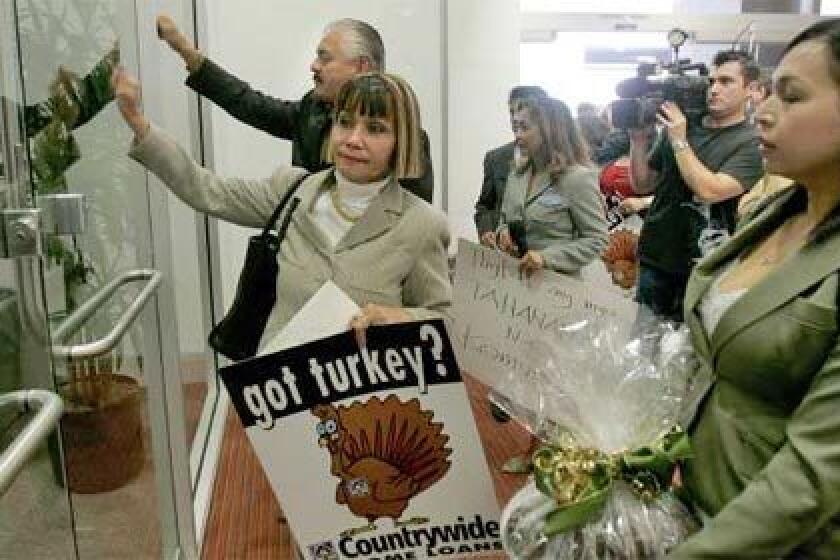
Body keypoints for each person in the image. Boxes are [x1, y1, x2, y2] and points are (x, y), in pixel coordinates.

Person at [113, 68, 451, 347]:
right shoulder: (293, 191)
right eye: (345, 122)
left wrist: (400, 317)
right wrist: (138, 122)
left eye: (375, 129)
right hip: (279, 394)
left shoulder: (422, 224)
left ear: (401, 141)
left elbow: (444, 321)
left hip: (364, 406)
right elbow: (206, 190)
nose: (353, 139)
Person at [671, 19, 840, 557]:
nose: (763, 113)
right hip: (702, 501)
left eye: (791, 98)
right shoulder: (773, 211)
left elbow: (813, 476)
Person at [155, 15, 434, 203]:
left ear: (361, 67)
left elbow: (415, 231)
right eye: (344, 124)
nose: (314, 66)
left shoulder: (409, 140)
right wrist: (185, 52)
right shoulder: (311, 111)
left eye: (325, 58)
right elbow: (249, 103)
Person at [629, 50, 764, 322]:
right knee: (643, 348)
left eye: (726, 82)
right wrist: (638, 141)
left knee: (690, 353)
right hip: (657, 255)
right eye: (711, 81)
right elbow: (643, 184)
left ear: (750, 89)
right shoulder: (682, 127)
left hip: (706, 265)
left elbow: (711, 191)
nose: (714, 89)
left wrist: (679, 140)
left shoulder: (752, 142)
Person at [496, 94, 608, 277]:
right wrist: (502, 232)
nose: (517, 136)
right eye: (515, 127)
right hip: (515, 286)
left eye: (524, 128)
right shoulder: (516, 175)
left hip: (556, 291)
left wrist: (546, 258)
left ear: (549, 131)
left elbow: (597, 240)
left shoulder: (577, 178)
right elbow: (505, 218)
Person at [474, 85, 548, 246]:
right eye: (512, 112)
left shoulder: (560, 162)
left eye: (521, 112)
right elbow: (485, 205)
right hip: (502, 257)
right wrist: (486, 230)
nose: (515, 118)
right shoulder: (496, 158)